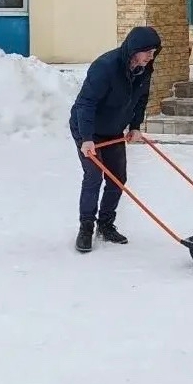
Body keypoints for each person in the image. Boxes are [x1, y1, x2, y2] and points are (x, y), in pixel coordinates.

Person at [69, 25, 162, 253]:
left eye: (154, 52)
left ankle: (106, 224)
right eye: (148, 51)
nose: (151, 56)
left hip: (113, 129)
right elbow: (86, 104)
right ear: (134, 49)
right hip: (87, 129)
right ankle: (86, 228)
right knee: (94, 176)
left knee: (118, 178)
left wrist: (136, 126)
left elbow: (141, 98)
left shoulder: (144, 69)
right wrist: (86, 138)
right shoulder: (105, 67)